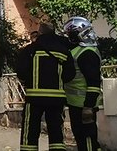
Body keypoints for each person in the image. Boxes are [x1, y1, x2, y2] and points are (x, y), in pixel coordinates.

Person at [15, 23, 76, 151]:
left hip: (34, 98)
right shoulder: (63, 51)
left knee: (30, 131)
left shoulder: (30, 50)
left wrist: (30, 80)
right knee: (56, 132)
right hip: (56, 99)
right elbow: (70, 74)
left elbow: (20, 71)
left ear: (40, 33)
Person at [64, 17, 103, 151]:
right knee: (83, 139)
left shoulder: (86, 54)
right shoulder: (80, 50)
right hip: (77, 104)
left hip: (84, 105)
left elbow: (94, 82)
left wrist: (88, 106)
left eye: (71, 35)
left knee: (87, 139)